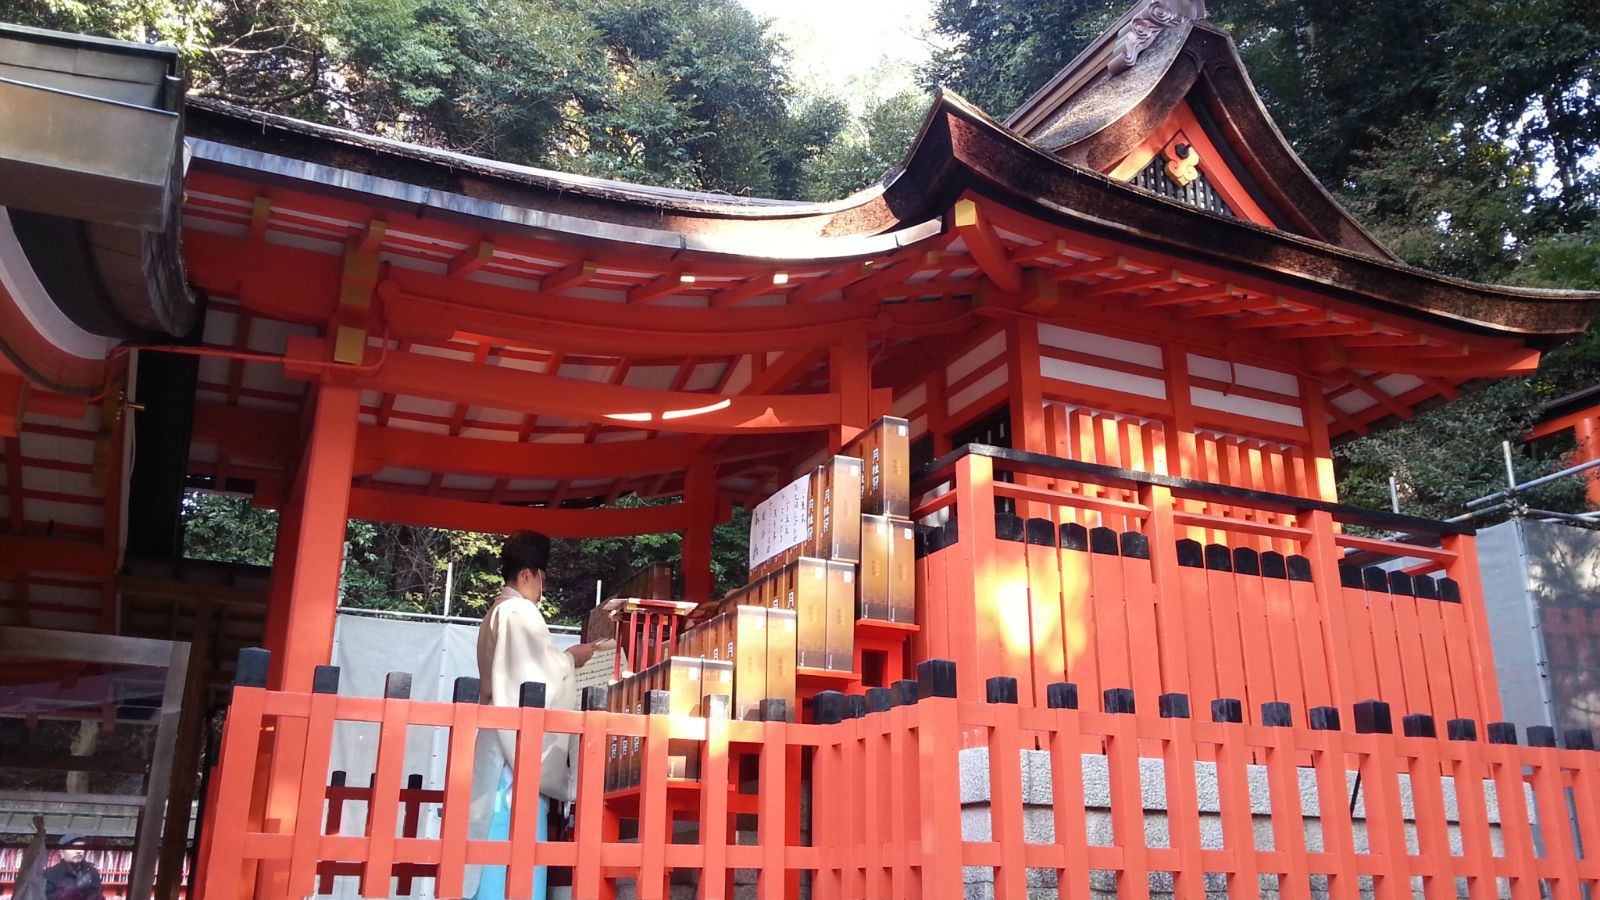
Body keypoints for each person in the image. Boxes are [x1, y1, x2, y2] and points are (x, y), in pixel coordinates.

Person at [465, 530, 611, 900]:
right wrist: (571, 659)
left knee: (499, 846)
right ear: (528, 574)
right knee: (509, 847)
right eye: (542, 580)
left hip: (497, 739)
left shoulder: (498, 612)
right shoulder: (517, 611)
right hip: (509, 752)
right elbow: (534, 679)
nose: (542, 591)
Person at [41, 832, 103, 900]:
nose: (78, 851)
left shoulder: (92, 872)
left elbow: (99, 896)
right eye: (73, 847)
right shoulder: (50, 875)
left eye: (81, 847)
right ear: (62, 852)